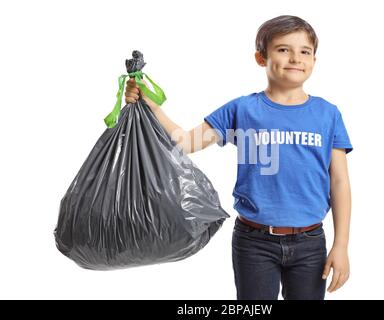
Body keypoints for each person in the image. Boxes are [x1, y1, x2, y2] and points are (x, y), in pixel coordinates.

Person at [125, 15, 353, 300]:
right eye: (283, 49)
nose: (296, 57)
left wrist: (341, 245)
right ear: (261, 57)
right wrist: (151, 106)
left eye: (305, 51)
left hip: (310, 242)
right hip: (254, 242)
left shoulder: (328, 114)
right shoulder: (242, 109)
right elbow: (186, 142)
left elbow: (340, 181)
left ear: (314, 60)